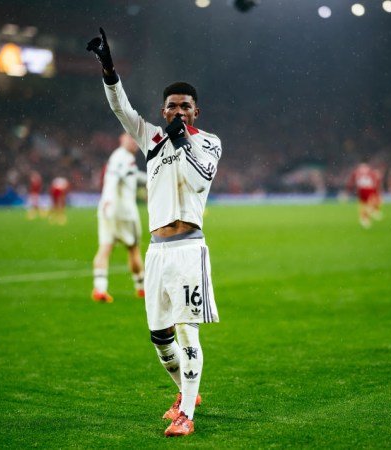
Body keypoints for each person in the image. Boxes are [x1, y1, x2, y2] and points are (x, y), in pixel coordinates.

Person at [87, 27, 222, 437]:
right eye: (172, 107)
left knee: (186, 329)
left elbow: (201, 180)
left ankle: (187, 416)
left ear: (195, 112)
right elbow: (120, 108)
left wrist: (183, 141)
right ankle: (186, 392)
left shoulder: (209, 143)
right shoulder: (151, 140)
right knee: (160, 337)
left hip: (187, 250)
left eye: (185, 107)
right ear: (163, 111)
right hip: (157, 251)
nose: (178, 112)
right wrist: (108, 67)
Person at [92, 132, 146, 303]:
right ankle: (141, 288)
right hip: (124, 212)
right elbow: (113, 180)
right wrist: (109, 200)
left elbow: (133, 176)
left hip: (107, 211)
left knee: (105, 248)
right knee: (133, 249)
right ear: (121, 138)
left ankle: (100, 288)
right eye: (131, 138)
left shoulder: (118, 158)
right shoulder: (122, 157)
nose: (134, 143)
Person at [346, 160, 382, 228]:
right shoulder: (360, 172)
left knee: (369, 204)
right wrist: (348, 191)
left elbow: (375, 181)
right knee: (365, 205)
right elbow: (351, 182)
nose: (363, 168)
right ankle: (365, 218)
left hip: (368, 190)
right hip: (363, 190)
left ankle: (368, 215)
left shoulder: (370, 173)